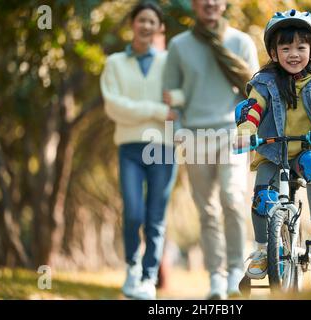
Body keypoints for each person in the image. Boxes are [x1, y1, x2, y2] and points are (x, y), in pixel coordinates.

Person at [235, 9, 311, 280]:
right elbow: (252, 109)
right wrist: (245, 131)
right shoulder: (264, 83)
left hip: (304, 149)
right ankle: (262, 250)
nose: (293, 54)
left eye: (300, 47)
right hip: (272, 152)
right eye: (285, 48)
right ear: (274, 53)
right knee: (262, 198)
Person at [163, 0, 259, 299]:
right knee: (207, 211)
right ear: (194, 4)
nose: (209, 3)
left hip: (232, 135)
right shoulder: (178, 46)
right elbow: (171, 97)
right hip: (194, 136)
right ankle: (216, 277)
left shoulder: (241, 42)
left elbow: (256, 93)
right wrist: (177, 133)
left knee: (232, 199)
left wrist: (248, 129)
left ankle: (234, 272)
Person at [100, 1, 183, 300]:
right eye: (141, 20)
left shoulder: (169, 61)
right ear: (132, 23)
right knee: (133, 213)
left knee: (155, 218)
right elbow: (114, 107)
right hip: (130, 148)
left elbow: (182, 98)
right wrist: (158, 110)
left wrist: (171, 104)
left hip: (164, 148)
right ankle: (132, 268)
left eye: (152, 21)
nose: (146, 26)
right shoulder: (114, 65)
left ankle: (149, 279)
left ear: (159, 28)